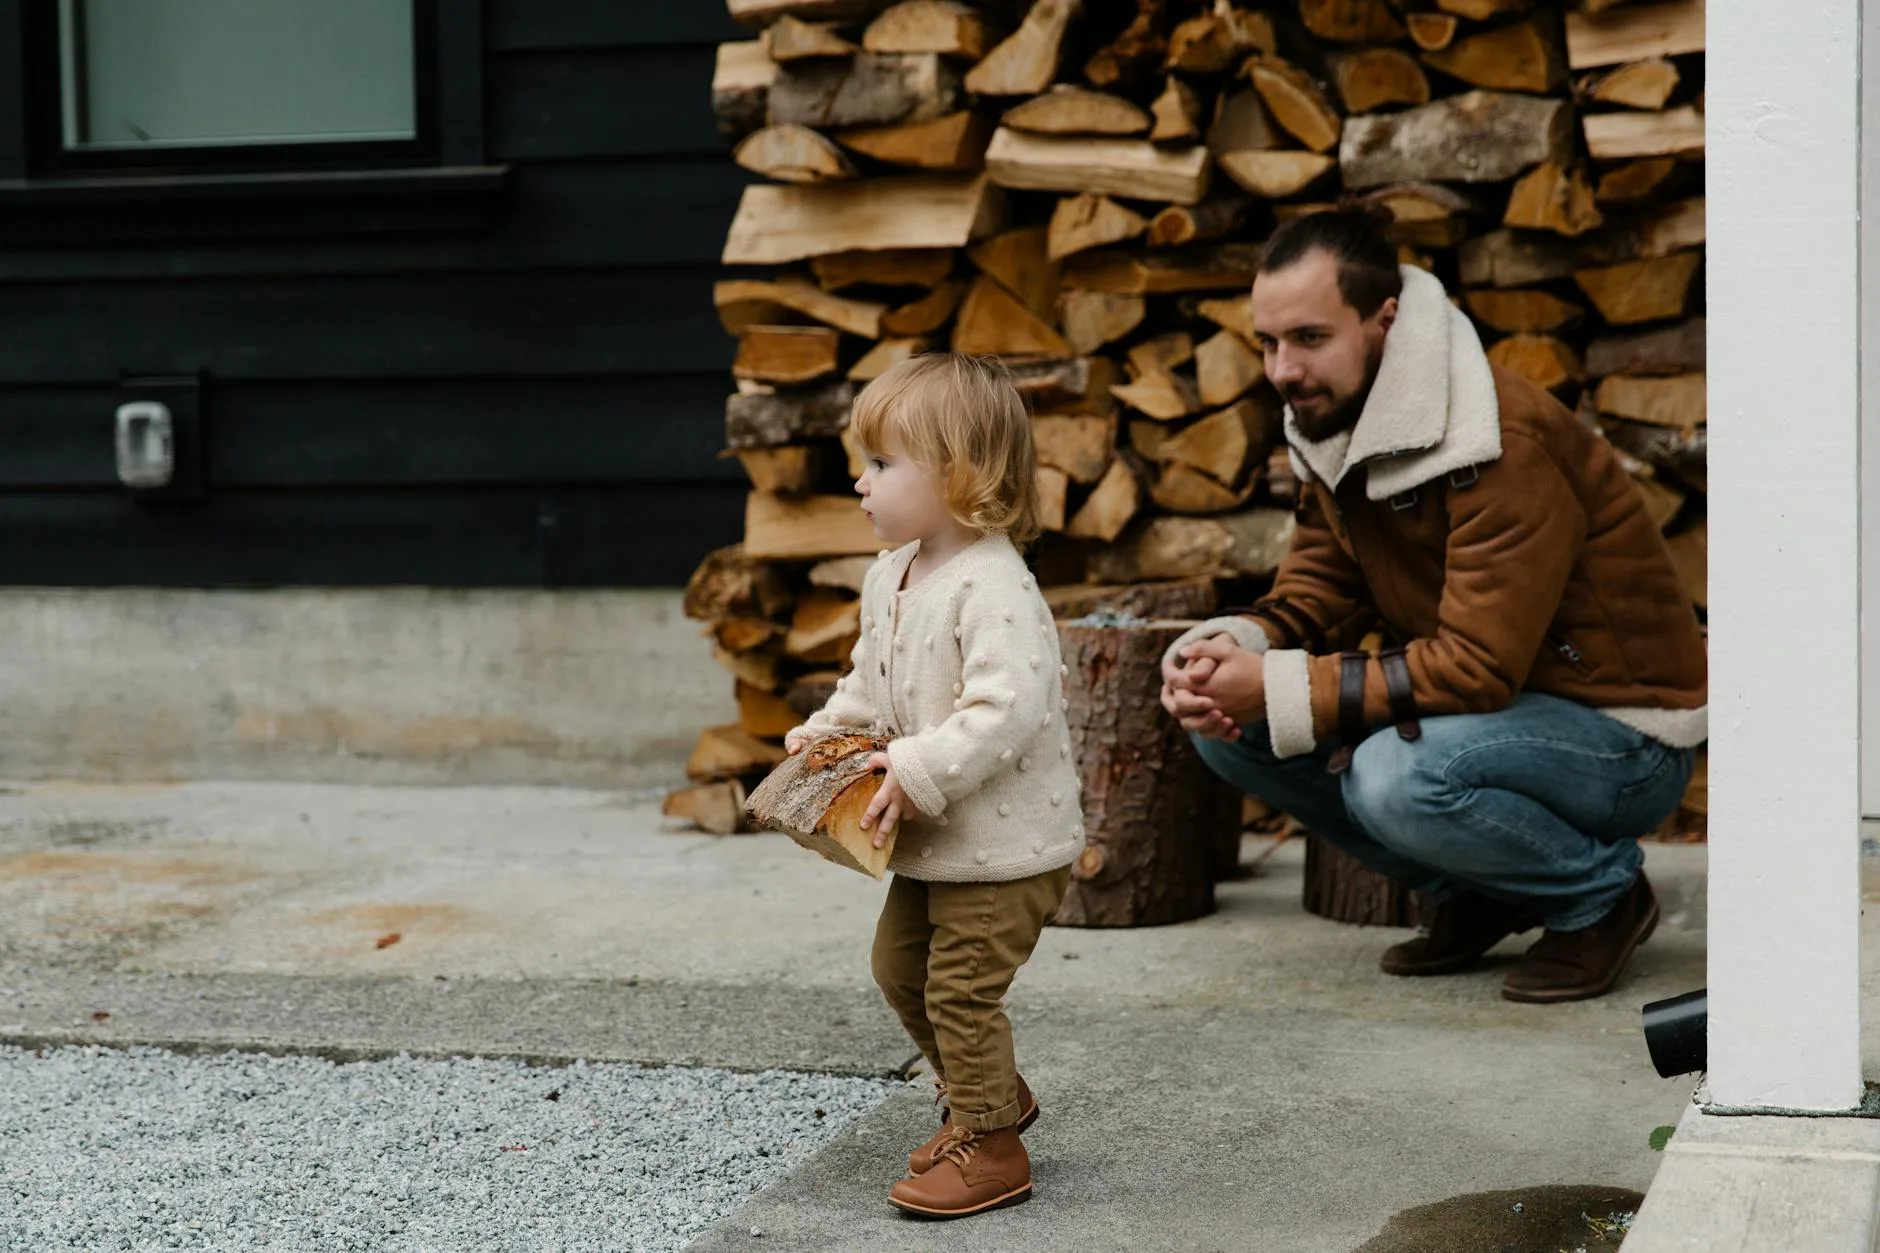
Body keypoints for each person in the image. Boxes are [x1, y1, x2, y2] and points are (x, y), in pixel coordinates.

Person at [1160, 209, 1707, 1003]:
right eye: (1268, 342)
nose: (1282, 369)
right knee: (1230, 730)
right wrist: (1228, 649)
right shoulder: (1333, 412)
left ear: (1383, 320)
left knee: (1396, 774)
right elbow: (1322, 588)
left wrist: (1281, 685)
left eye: (1309, 338)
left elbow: (1477, 666)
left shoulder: (1497, 438)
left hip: (1621, 732)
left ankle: (1603, 898)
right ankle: (1483, 892)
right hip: (1497, 711)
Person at [786, 352, 1083, 1218]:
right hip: (942, 843)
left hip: (1007, 847)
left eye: (882, 464)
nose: (860, 483)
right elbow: (870, 682)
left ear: (958, 473)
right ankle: (987, 1091)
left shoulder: (993, 585)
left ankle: (992, 1144)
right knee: (897, 964)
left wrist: (915, 770)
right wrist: (826, 737)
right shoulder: (895, 572)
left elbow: (1007, 708)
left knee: (958, 987)